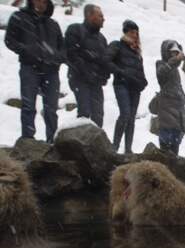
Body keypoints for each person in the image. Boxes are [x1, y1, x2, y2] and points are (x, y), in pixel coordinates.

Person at [4, 0, 64, 143]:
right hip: (29, 67)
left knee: (51, 109)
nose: (41, 3)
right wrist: (26, 50)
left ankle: (53, 141)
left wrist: (56, 58)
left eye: (44, 1)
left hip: (51, 70)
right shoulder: (19, 17)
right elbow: (9, 40)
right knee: (28, 106)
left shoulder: (53, 24)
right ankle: (28, 140)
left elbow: (63, 47)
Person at [105, 20, 147, 154]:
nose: (135, 35)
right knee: (125, 114)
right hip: (121, 84)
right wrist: (120, 72)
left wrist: (143, 82)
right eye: (132, 32)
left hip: (135, 87)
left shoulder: (137, 52)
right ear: (126, 32)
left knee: (131, 118)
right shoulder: (117, 45)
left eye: (136, 33)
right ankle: (115, 147)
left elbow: (140, 71)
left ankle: (128, 149)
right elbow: (106, 60)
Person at [65, 4, 109, 128]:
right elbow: (71, 54)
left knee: (98, 115)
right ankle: (81, 144)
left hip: (96, 82)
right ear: (89, 15)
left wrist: (104, 76)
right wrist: (86, 71)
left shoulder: (102, 39)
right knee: (84, 113)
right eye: (100, 15)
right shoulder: (75, 30)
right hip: (79, 79)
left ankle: (95, 145)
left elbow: (105, 61)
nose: (103, 19)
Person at [156, 40, 185, 156]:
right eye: (173, 52)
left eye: (177, 52)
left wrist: (183, 97)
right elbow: (161, 75)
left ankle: (173, 164)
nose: (175, 55)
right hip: (166, 107)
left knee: (176, 140)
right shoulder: (161, 64)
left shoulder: (175, 70)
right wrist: (174, 61)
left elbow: (178, 85)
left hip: (178, 108)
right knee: (166, 138)